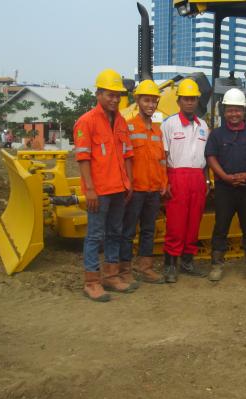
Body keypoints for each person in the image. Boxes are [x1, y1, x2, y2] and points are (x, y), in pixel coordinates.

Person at [73, 68, 137, 302]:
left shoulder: (121, 120)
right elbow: (83, 158)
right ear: (98, 94)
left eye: (117, 95)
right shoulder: (86, 122)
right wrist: (90, 189)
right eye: (110, 94)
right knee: (95, 235)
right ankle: (91, 282)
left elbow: (127, 153)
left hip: (119, 189)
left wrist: (128, 181)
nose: (114, 99)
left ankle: (111, 276)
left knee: (115, 233)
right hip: (99, 191)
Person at [204, 88, 246, 282]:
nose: (234, 114)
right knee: (221, 226)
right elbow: (211, 157)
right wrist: (224, 176)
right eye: (230, 110)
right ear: (224, 112)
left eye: (238, 110)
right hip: (225, 189)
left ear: (244, 111)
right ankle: (216, 265)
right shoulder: (216, 134)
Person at [160, 78, 210, 282]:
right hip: (177, 176)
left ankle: (188, 261)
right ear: (178, 101)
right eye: (185, 99)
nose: (189, 102)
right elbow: (162, 156)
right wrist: (165, 181)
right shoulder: (169, 124)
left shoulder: (204, 126)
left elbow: (206, 157)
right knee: (176, 223)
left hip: (197, 177)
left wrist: (207, 181)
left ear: (197, 101)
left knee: (193, 222)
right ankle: (170, 264)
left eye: (193, 99)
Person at [120, 80, 168, 284]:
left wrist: (164, 181)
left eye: (154, 101)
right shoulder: (128, 127)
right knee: (129, 230)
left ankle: (145, 267)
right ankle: (124, 270)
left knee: (148, 229)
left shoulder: (158, 130)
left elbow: (162, 159)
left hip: (154, 188)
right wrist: (126, 185)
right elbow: (124, 160)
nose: (150, 104)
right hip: (136, 189)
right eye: (146, 100)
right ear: (137, 100)